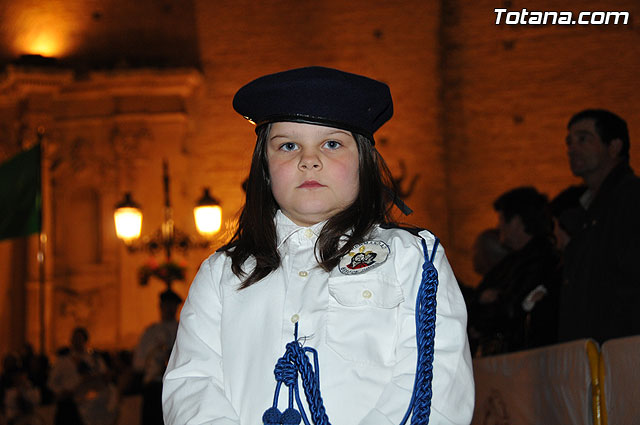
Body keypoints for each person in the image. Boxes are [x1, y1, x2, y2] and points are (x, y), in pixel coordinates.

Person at [162, 66, 474, 424]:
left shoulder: (412, 259)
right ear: (265, 167)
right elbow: (191, 385)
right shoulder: (222, 274)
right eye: (288, 145)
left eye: (332, 144)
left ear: (363, 162)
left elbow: (433, 386)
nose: (308, 160)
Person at [559, 109, 640, 343]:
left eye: (583, 139)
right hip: (593, 350)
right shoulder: (585, 209)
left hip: (621, 346)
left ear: (614, 146)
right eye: (569, 142)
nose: (572, 148)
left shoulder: (631, 198)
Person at [468, 187, 560, 355]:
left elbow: (512, 310)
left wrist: (485, 312)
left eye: (502, 220)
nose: (498, 226)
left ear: (517, 222)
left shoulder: (542, 260)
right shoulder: (512, 262)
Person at [48, 327, 118, 425]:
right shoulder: (62, 361)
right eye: (75, 338)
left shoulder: (95, 360)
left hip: (89, 403)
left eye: (79, 338)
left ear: (85, 340)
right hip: (68, 402)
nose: (77, 341)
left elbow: (104, 377)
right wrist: (61, 391)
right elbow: (52, 382)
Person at [134, 289, 182, 425]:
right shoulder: (150, 332)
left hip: (175, 386)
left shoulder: (182, 328)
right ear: (160, 306)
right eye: (166, 305)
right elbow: (138, 363)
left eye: (172, 305)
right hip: (153, 386)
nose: (169, 309)